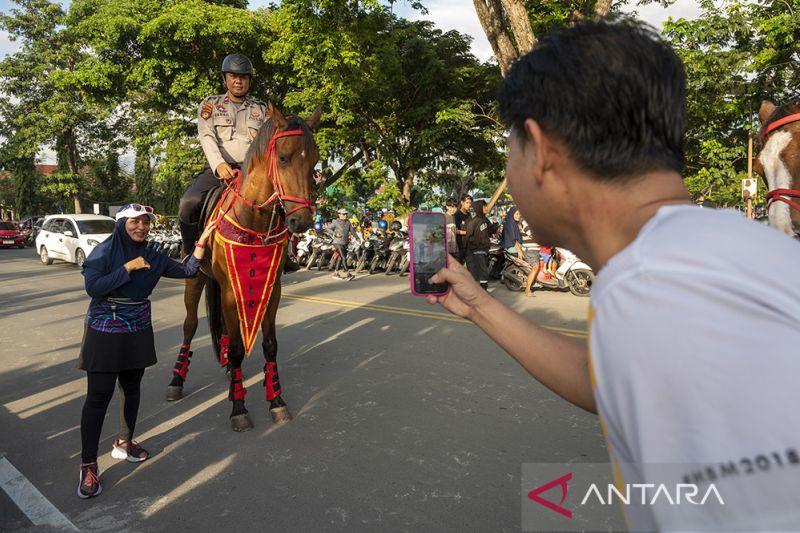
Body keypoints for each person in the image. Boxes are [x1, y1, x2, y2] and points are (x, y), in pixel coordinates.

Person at [427, 21, 800, 531]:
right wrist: (480, 307)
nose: (508, 176)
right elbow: (614, 378)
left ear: (541, 149)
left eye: (509, 148)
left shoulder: (649, 287)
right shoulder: (720, 248)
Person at [77, 204, 216, 499]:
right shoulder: (104, 252)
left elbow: (189, 270)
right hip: (105, 329)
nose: (141, 227)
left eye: (145, 223)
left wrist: (202, 240)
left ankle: (124, 442)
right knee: (99, 395)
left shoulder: (153, 256)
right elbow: (94, 287)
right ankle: (88, 464)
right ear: (121, 224)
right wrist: (127, 268)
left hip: (137, 327)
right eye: (134, 222)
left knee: (132, 388)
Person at [178, 53, 268, 254]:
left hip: (251, 172)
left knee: (282, 202)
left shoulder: (261, 110)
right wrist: (218, 164)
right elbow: (206, 136)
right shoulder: (210, 105)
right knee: (188, 203)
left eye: (243, 77)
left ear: (249, 81)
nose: (238, 81)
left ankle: (285, 252)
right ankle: (190, 250)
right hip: (219, 169)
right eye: (233, 76)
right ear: (225, 78)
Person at [500, 206, 540, 296]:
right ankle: (528, 289)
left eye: (519, 213)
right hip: (512, 246)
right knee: (535, 267)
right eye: (517, 214)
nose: (519, 215)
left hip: (517, 246)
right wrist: (520, 251)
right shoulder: (510, 223)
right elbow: (513, 239)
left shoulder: (513, 222)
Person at [463, 200, 496, 290]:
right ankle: (483, 290)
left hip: (485, 249)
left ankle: (481, 289)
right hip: (477, 250)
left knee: (482, 270)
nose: (486, 208)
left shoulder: (485, 220)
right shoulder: (473, 222)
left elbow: (492, 230)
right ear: (479, 208)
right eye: (484, 207)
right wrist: (476, 244)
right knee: (483, 270)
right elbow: (468, 236)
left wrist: (495, 223)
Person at [331, 208, 355, 280]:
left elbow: (352, 231)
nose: (345, 215)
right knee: (343, 258)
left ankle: (336, 273)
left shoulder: (348, 222)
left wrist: (357, 238)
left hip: (345, 243)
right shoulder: (335, 222)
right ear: (339, 215)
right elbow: (328, 228)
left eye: (346, 214)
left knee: (340, 258)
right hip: (337, 242)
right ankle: (348, 274)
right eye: (343, 214)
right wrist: (335, 234)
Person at [454, 194, 472, 263]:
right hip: (460, 246)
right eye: (467, 203)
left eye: (470, 203)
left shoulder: (470, 215)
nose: (469, 205)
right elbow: (455, 231)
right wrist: (466, 233)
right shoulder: (457, 214)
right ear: (462, 202)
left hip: (469, 246)